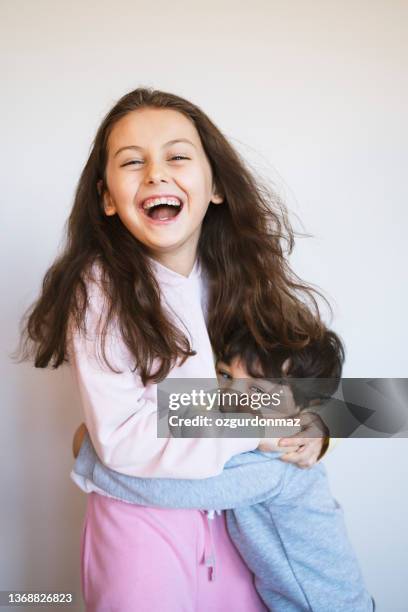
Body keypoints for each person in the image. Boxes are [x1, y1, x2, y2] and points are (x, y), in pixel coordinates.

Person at [17, 87, 362, 611]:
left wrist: (313, 425)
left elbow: (299, 391)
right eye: (132, 162)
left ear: (216, 186)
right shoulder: (99, 288)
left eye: (177, 156)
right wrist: (258, 423)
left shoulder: (236, 278)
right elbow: (123, 441)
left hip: (234, 527)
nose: (156, 173)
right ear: (107, 198)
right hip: (143, 528)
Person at [72, 326, 374, 611]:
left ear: (305, 409)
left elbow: (179, 488)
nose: (233, 399)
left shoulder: (274, 464)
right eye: (225, 375)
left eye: (258, 393)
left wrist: (91, 455)